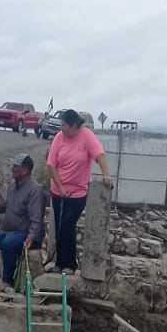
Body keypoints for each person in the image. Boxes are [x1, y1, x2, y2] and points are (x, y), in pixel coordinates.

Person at [47, 109, 113, 273]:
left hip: (78, 192)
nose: (61, 128)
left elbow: (99, 155)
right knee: (60, 226)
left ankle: (70, 264)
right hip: (58, 190)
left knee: (68, 225)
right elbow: (51, 164)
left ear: (74, 126)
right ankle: (59, 263)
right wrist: (60, 188)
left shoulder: (87, 136)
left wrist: (106, 175)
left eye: (64, 125)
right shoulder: (58, 138)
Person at [0, 154, 45, 293]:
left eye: (16, 167)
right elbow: (5, 207)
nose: (12, 169)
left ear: (25, 170)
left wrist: (31, 237)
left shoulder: (35, 190)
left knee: (8, 244)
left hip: (25, 234)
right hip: (8, 232)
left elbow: (36, 219)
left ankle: (7, 281)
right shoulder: (12, 187)